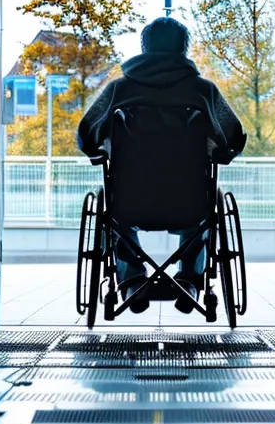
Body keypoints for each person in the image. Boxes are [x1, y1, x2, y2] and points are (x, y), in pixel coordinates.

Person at [77, 17, 246, 313]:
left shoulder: (118, 90)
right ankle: (191, 279)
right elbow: (235, 135)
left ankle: (132, 280)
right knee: (204, 211)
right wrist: (223, 153)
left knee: (114, 216)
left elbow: (86, 132)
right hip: (189, 202)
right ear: (184, 49)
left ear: (144, 48)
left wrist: (96, 150)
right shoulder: (203, 91)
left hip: (129, 201)